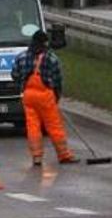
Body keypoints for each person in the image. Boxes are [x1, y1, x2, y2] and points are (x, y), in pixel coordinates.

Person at [11, 30, 79, 166]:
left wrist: (22, 86)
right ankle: (64, 155)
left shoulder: (21, 57)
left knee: (33, 126)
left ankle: (36, 157)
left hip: (28, 96)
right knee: (54, 126)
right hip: (45, 95)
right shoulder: (51, 58)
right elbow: (58, 80)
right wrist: (56, 97)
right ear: (44, 43)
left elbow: (14, 75)